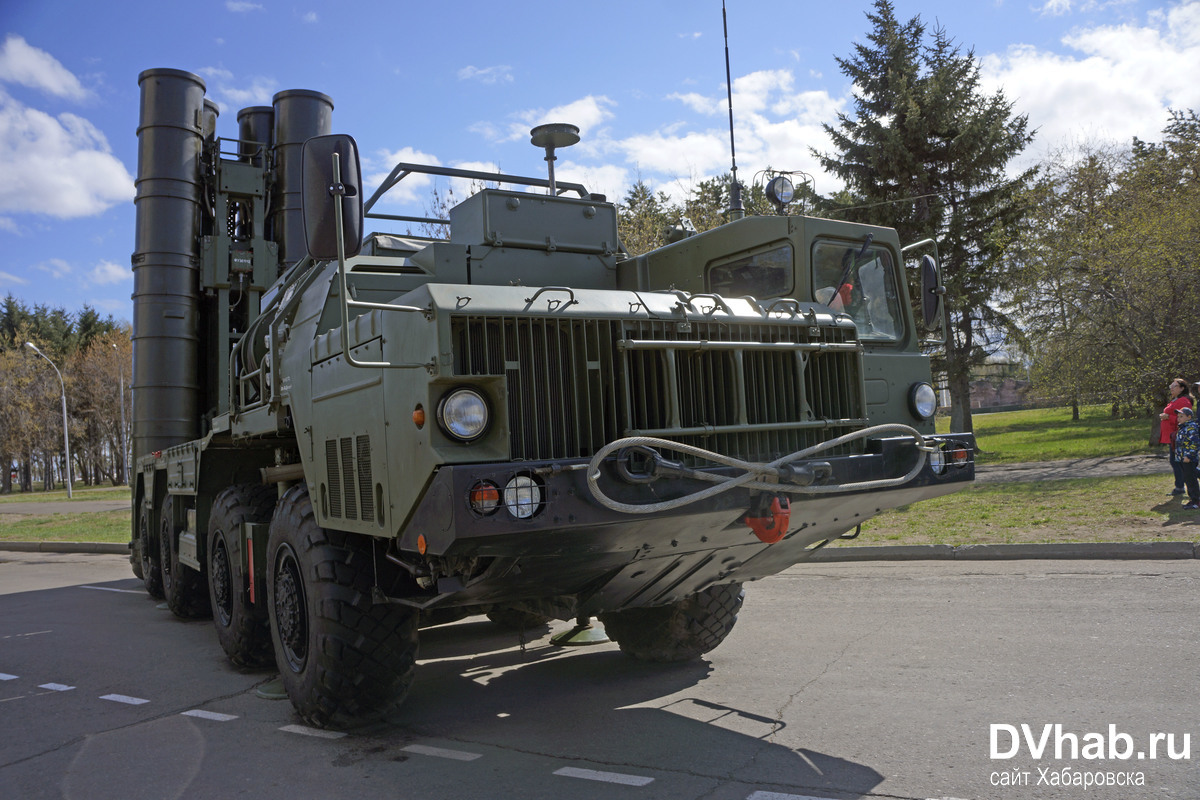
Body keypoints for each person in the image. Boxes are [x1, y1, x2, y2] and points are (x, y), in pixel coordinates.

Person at [1160, 378, 1194, 494]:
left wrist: (1168, 417)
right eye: (1171, 386)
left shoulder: (1184, 401)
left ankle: (1181, 487)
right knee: (1176, 461)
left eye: (1174, 386)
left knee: (1178, 461)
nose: (1171, 388)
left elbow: (1186, 418)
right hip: (1173, 435)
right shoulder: (1176, 400)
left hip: (1179, 435)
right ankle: (1179, 486)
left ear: (1182, 388)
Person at [1176, 406, 1200, 509]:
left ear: (1189, 417)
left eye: (1181, 416)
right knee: (1189, 477)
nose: (1179, 418)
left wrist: (1189, 456)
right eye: (1178, 416)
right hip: (1182, 458)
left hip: (1188, 459)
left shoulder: (1191, 427)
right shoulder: (1182, 427)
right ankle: (1193, 499)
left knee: (1191, 480)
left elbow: (1195, 443)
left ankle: (1195, 501)